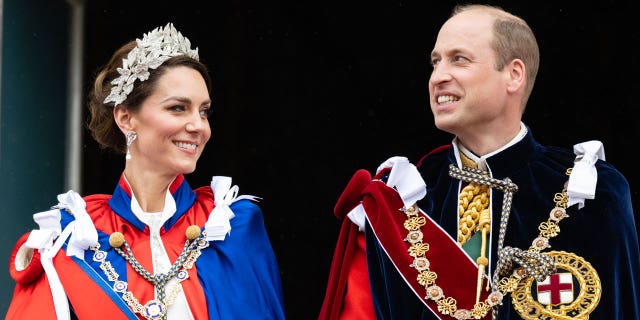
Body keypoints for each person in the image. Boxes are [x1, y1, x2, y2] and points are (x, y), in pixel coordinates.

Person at [319, 4, 640, 320]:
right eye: (435, 62)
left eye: (459, 59)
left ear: (513, 75)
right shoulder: (399, 197)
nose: (438, 77)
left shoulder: (589, 190)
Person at [6, 23, 285, 320]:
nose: (198, 126)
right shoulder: (70, 240)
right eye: (178, 108)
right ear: (126, 117)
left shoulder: (232, 226)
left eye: (204, 111)